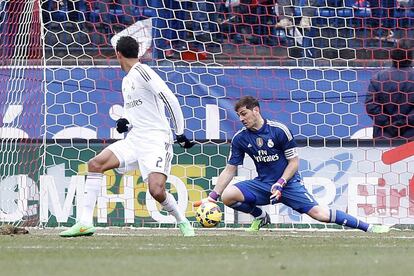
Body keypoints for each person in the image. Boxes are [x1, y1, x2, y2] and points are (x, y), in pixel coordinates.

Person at [60, 36, 196, 237]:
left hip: (156, 139)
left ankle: (182, 220)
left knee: (157, 191)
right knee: (96, 164)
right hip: (134, 139)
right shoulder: (127, 80)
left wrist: (180, 132)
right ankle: (84, 222)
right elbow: (135, 112)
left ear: (118, 54)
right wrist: (125, 121)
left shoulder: (143, 71)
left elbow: (170, 99)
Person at [195, 96, 391, 233]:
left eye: (244, 113)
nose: (241, 119)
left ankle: (368, 227)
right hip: (263, 184)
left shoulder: (279, 131)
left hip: (287, 184)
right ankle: (260, 216)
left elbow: (294, 162)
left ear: (256, 110)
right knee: (228, 196)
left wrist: (281, 182)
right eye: (238, 115)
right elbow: (230, 169)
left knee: (320, 214)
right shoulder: (240, 138)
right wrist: (212, 197)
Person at [365, 38, 414, 139]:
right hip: (411, 136)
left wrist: (388, 124)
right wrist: (404, 123)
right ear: (411, 57)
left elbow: (371, 106)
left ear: (391, 55)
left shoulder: (378, 77)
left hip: (384, 135)